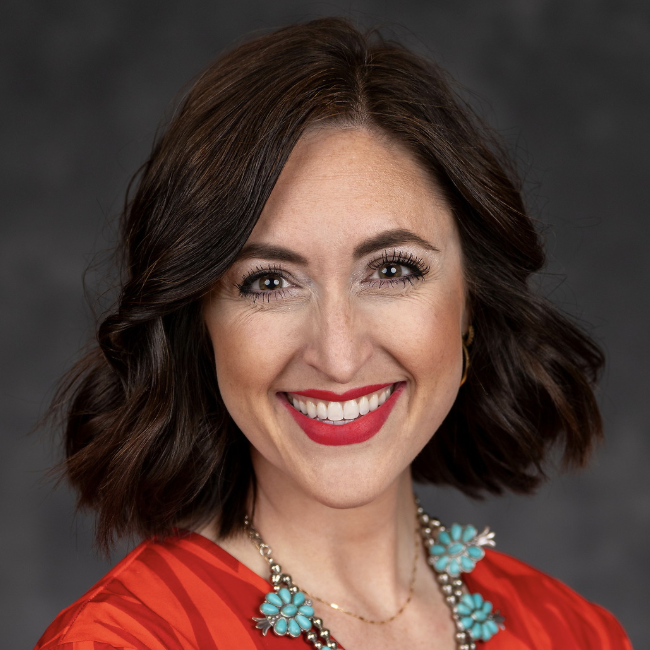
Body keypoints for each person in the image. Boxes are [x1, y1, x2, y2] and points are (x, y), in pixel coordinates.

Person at [35, 17, 631, 650]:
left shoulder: (575, 633)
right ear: (197, 323)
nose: (339, 356)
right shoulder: (126, 641)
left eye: (394, 270)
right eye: (268, 282)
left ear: (472, 305)